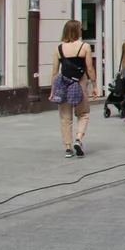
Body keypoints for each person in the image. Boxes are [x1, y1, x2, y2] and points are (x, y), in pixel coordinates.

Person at [50, 20, 96, 158]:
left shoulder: (59, 49)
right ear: (77, 31)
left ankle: (68, 147)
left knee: (65, 117)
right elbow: (89, 68)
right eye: (80, 29)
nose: (81, 31)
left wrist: (53, 90)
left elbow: (54, 72)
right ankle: (78, 139)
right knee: (83, 113)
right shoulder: (84, 47)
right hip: (80, 83)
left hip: (63, 84)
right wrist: (94, 84)